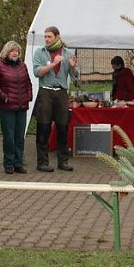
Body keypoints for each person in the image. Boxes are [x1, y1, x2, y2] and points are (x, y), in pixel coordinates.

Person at [33, 26, 79, 172]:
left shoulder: (68, 53)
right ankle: (42, 162)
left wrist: (72, 67)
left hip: (61, 93)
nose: (46, 39)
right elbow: (37, 72)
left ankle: (63, 162)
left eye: (49, 36)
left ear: (57, 36)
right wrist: (53, 64)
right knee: (44, 128)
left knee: (62, 128)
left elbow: (76, 80)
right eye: (45, 37)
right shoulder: (40, 52)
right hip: (45, 91)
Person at [0, 41, 33, 174]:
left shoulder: (22, 66)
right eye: (12, 51)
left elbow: (28, 83)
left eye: (17, 51)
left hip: (21, 105)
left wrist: (29, 96)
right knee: (9, 136)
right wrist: (4, 97)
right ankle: (8, 163)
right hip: (7, 107)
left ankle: (18, 163)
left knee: (20, 136)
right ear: (7, 52)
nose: (15, 53)